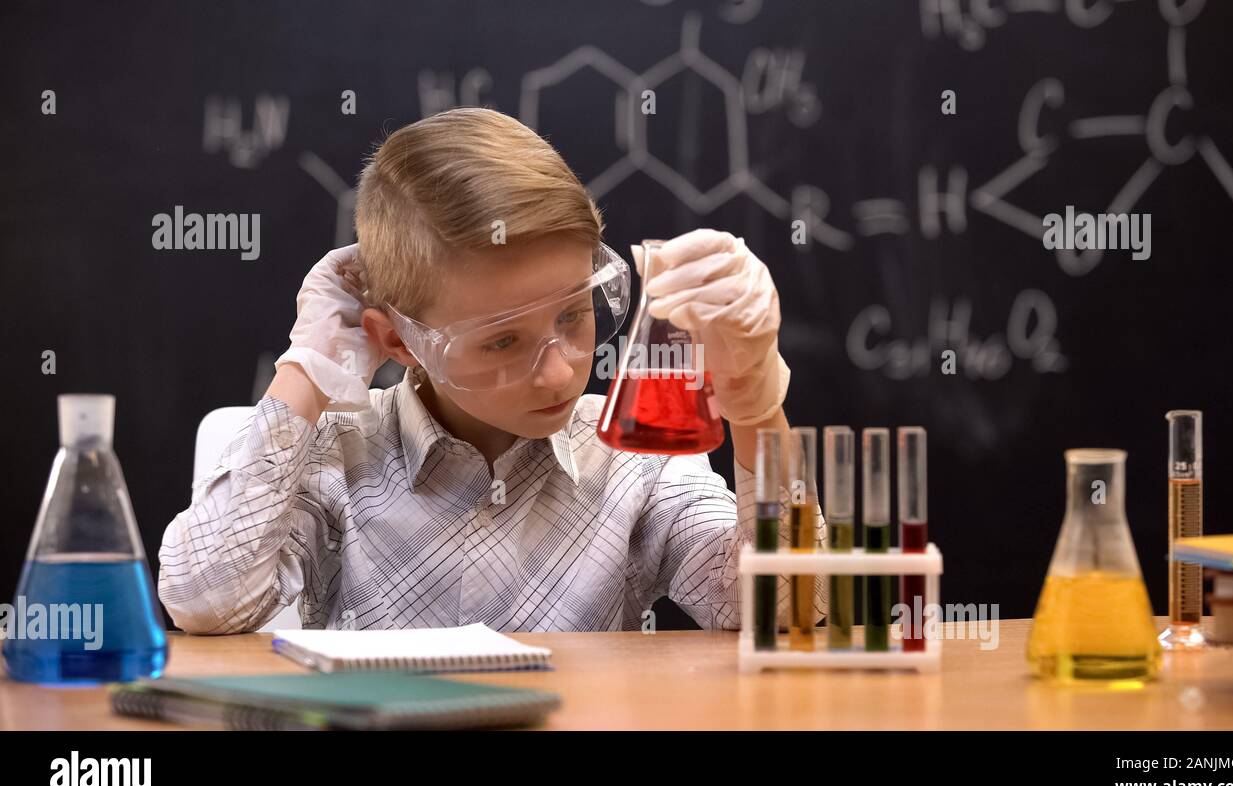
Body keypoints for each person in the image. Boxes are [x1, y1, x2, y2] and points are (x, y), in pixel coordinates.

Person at [158, 107, 826, 634]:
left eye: (573, 314)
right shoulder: (336, 455)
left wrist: (754, 403)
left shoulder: (633, 460)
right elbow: (206, 600)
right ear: (399, 339)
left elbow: (791, 608)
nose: (561, 371)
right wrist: (309, 369)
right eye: (502, 341)